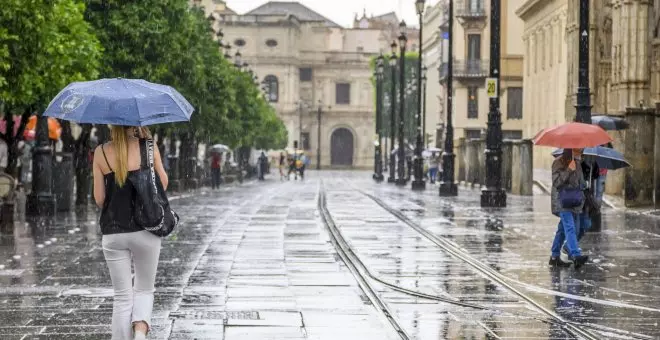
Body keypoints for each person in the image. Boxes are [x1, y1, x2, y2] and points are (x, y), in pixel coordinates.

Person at [93, 126, 167, 340]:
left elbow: (99, 199)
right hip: (146, 229)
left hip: (114, 231)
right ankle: (140, 334)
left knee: (122, 298)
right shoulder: (149, 147)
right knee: (144, 289)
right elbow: (162, 183)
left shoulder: (101, 152)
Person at [549, 149, 589, 268]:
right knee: (570, 227)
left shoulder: (577, 162)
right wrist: (569, 170)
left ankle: (554, 256)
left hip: (574, 201)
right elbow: (557, 183)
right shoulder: (558, 162)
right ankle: (575, 255)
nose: (582, 150)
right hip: (562, 201)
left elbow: (580, 183)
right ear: (571, 149)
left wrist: (585, 180)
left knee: (562, 230)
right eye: (579, 148)